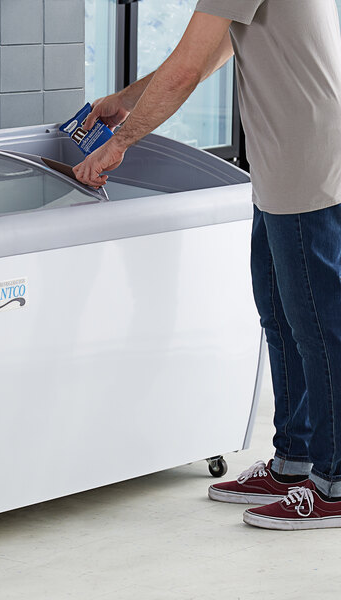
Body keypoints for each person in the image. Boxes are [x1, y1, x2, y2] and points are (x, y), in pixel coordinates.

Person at [74, 0, 341, 530]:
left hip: (302, 159)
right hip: (282, 153)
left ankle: (332, 483)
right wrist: (124, 102)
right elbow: (213, 49)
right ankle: (294, 464)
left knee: (317, 325)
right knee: (282, 318)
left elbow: (187, 70)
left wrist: (119, 143)